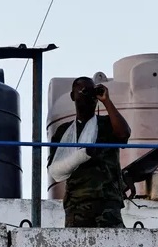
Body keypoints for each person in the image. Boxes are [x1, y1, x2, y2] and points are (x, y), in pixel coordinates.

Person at [46, 77, 131, 227]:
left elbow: (124, 134)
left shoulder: (107, 124)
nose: (89, 97)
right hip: (77, 203)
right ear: (73, 96)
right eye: (84, 91)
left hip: (108, 202)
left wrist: (106, 101)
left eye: (92, 92)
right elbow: (55, 170)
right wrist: (83, 154)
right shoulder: (63, 131)